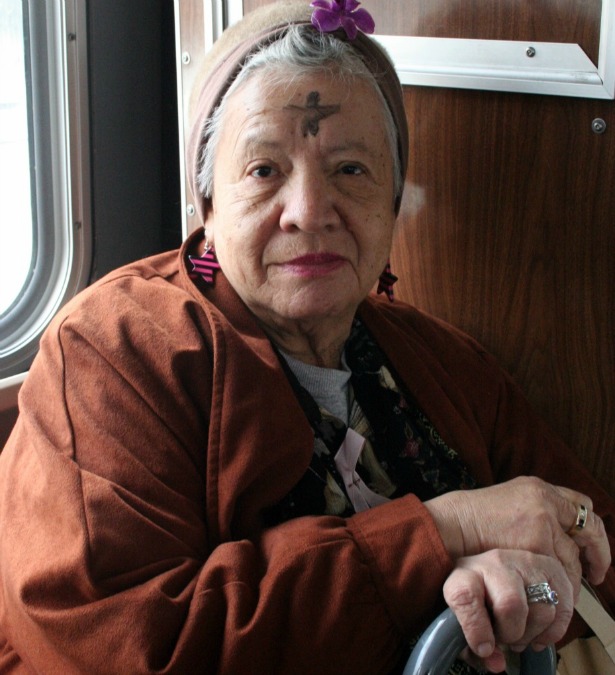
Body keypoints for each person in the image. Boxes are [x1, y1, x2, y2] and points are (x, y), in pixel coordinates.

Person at [0, 1, 612, 673]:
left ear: (392, 204)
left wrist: (544, 579)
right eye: (264, 170)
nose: (310, 211)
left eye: (350, 170)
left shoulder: (444, 362)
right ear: (208, 205)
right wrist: (445, 534)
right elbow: (123, 642)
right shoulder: (111, 351)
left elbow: (580, 532)